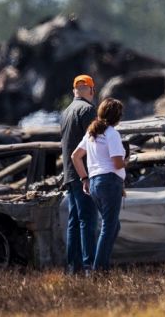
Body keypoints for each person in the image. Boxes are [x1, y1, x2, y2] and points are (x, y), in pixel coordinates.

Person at [71, 98, 126, 272]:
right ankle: (99, 269)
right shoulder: (112, 133)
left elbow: (75, 156)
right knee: (109, 227)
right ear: (117, 116)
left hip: (94, 182)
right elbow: (117, 164)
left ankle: (100, 264)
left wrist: (84, 178)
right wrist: (129, 161)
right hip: (110, 181)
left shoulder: (91, 133)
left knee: (112, 226)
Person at [61, 74, 97, 275]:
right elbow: (95, 143)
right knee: (87, 221)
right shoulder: (88, 110)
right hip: (84, 174)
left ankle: (72, 268)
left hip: (70, 174)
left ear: (74, 90)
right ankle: (88, 266)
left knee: (74, 221)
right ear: (91, 90)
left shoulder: (66, 112)